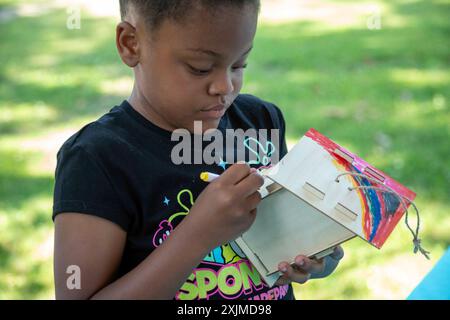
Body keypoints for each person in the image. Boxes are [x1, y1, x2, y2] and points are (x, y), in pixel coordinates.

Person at [53, 0, 344, 300]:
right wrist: (198, 234)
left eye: (239, 64)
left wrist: (317, 257)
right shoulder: (96, 159)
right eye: (200, 68)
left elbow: (294, 241)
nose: (224, 87)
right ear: (130, 44)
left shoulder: (260, 122)